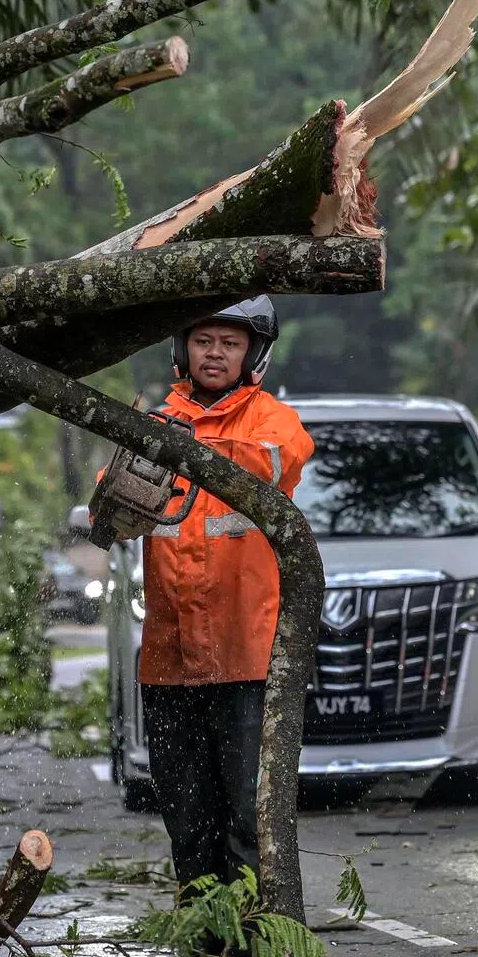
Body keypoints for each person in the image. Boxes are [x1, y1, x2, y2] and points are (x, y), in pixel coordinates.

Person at [130, 297, 314, 899]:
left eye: (229, 343)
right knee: (188, 827)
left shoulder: (272, 422)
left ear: (251, 354)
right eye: (205, 339)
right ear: (183, 347)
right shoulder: (151, 427)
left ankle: (255, 951)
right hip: (169, 662)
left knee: (247, 820)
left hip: (245, 660)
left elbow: (274, 463)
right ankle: (204, 955)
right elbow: (116, 493)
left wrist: (184, 449)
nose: (215, 353)